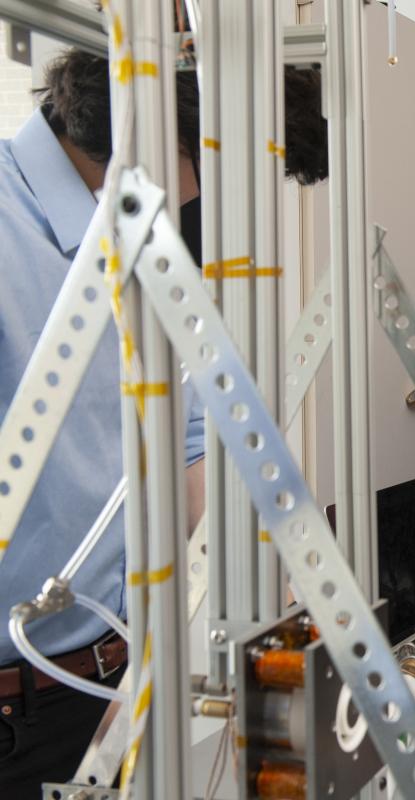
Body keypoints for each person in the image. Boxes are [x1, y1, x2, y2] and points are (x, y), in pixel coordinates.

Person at [0, 49, 327, 797]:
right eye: (223, 170)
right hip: (17, 720)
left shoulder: (140, 250)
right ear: (171, 137)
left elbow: (188, 457)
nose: (214, 201)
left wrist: (281, 599)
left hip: (112, 689)